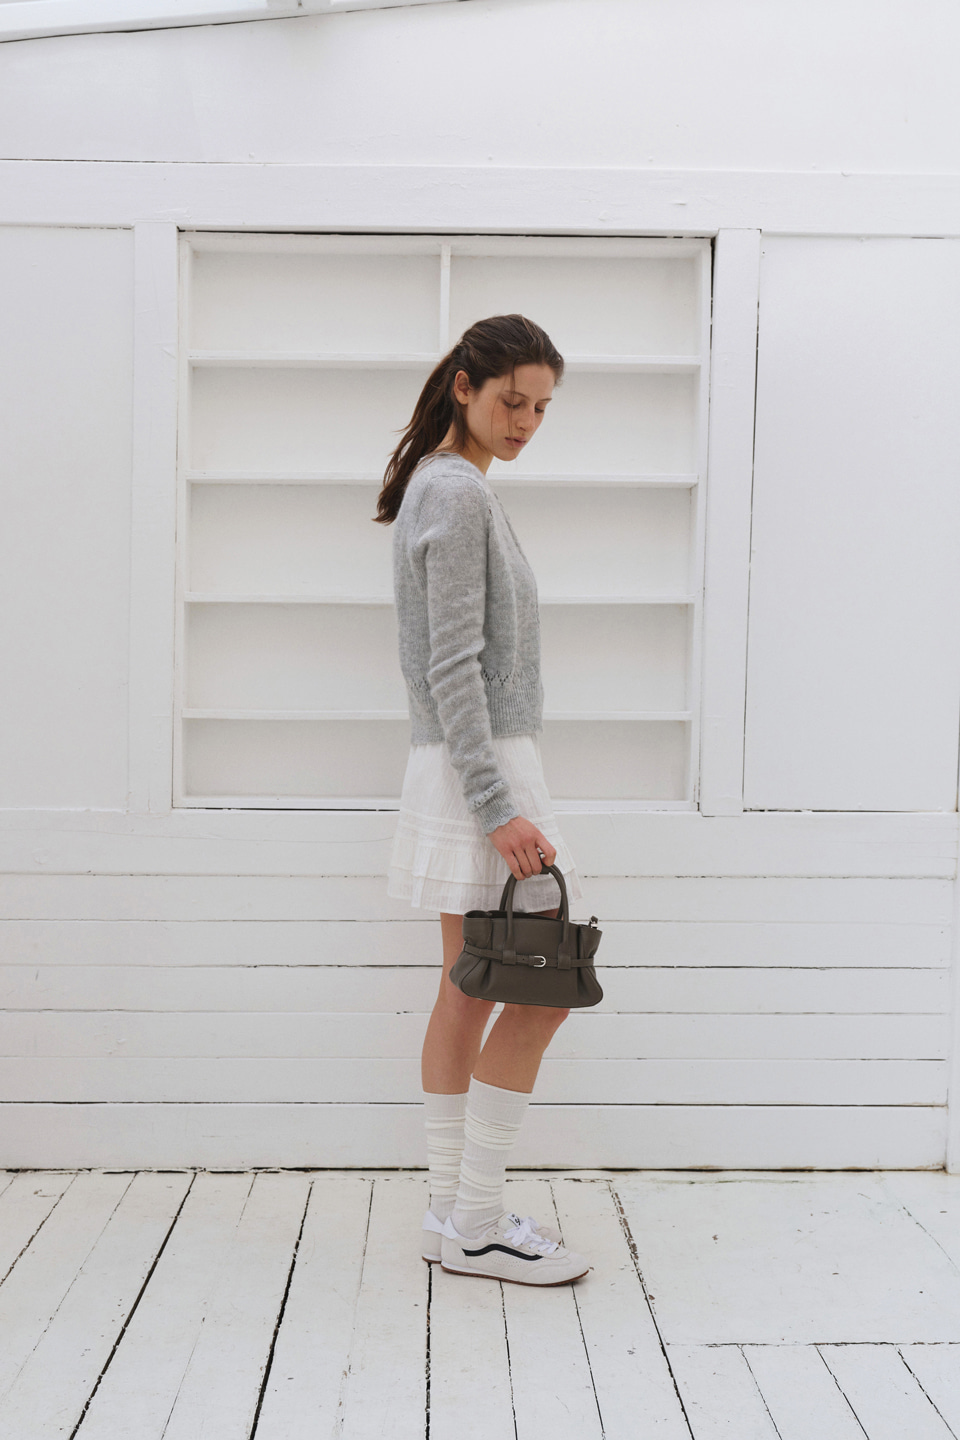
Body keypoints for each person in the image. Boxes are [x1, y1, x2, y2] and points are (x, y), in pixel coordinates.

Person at [375, 313, 589, 1285]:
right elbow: (453, 665)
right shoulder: (457, 494)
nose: (527, 422)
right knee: (543, 993)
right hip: (484, 770)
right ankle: (479, 1219)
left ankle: (449, 1210)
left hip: (456, 765)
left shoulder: (440, 484)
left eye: (541, 408)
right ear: (464, 386)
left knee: (468, 989)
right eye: (513, 401)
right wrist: (499, 805)